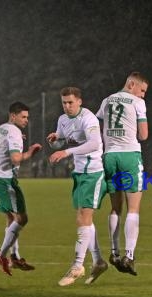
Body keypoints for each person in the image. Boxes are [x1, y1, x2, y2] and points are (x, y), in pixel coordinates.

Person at [48, 87, 107, 286]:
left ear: (79, 101)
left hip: (94, 172)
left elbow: (94, 144)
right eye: (64, 103)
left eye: (70, 102)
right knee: (85, 219)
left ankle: (77, 265)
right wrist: (55, 142)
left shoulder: (89, 119)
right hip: (80, 173)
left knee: (83, 216)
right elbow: (61, 139)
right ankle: (98, 261)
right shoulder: (62, 120)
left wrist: (66, 152)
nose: (67, 106)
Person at [96, 72, 149, 275]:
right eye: (142, 90)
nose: (143, 95)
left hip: (110, 156)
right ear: (132, 84)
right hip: (129, 155)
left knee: (115, 208)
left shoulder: (107, 100)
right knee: (133, 208)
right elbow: (143, 135)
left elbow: (98, 123)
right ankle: (129, 255)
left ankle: (114, 252)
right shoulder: (136, 102)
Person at [0, 102, 42, 275]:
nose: (27, 120)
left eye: (27, 117)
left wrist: (14, 142)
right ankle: (2, 254)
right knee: (22, 219)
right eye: (23, 117)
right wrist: (30, 152)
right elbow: (16, 159)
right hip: (6, 181)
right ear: (13, 116)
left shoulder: (2, 128)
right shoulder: (14, 131)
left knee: (12, 218)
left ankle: (15, 257)